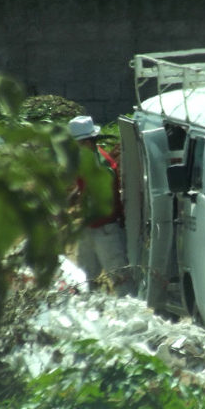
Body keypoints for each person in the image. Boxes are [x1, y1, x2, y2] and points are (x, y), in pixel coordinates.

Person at [68, 115, 135, 296]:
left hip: (106, 229)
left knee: (120, 278)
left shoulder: (102, 165)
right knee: (83, 278)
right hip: (90, 228)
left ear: (88, 143)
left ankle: (132, 316)